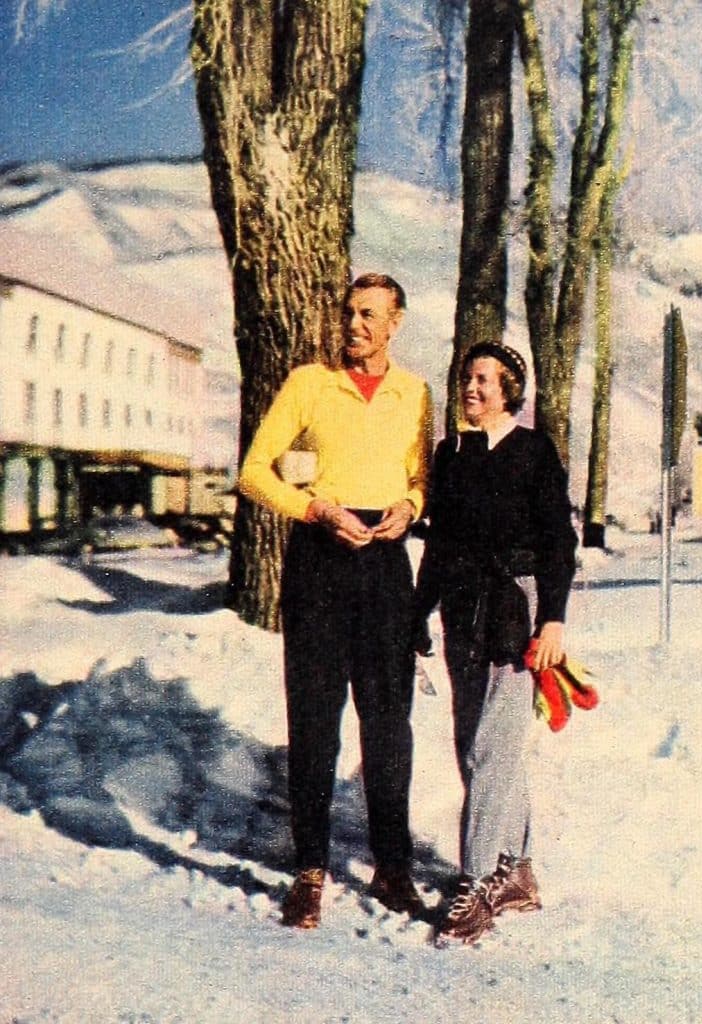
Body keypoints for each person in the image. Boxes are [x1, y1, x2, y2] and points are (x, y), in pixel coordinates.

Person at [238, 273, 433, 929]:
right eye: (349, 313)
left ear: (396, 321)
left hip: (384, 563)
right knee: (315, 721)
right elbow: (253, 471)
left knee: (388, 725)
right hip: (319, 560)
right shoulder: (308, 384)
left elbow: (421, 479)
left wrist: (411, 506)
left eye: (370, 314)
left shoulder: (415, 393)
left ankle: (393, 868)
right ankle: (310, 869)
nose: (355, 325)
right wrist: (314, 507)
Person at [414, 341, 578, 945]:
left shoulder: (534, 451)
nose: (472, 388)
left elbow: (559, 543)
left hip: (517, 607)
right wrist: (417, 611)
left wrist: (553, 620)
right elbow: (439, 544)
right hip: (463, 608)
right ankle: (519, 869)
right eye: (467, 377)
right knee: (474, 744)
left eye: (484, 379)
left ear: (509, 389)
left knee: (494, 744)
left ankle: (477, 882)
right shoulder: (451, 453)